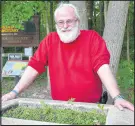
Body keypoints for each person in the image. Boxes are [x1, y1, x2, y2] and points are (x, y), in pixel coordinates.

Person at [2, 3, 134, 112]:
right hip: (59, 108)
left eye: (69, 21)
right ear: (56, 24)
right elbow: (33, 68)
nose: (65, 26)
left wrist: (117, 97)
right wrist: (14, 92)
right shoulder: (50, 40)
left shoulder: (92, 38)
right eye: (61, 22)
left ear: (77, 21)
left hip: (93, 107)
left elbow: (103, 67)